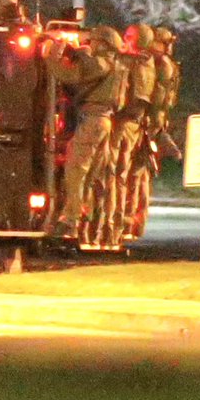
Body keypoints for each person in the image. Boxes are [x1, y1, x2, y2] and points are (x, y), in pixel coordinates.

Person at [45, 25, 128, 240]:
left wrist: (52, 52)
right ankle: (86, 218)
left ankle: (71, 220)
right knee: (92, 174)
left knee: (75, 169)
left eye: (93, 41)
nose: (89, 43)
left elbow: (66, 74)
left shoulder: (100, 63)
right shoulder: (115, 65)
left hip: (92, 121)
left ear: (103, 44)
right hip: (102, 122)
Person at [101, 23, 156, 245]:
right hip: (134, 126)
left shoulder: (133, 63)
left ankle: (111, 227)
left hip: (123, 124)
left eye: (129, 37)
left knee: (112, 175)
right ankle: (119, 226)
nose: (125, 39)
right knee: (123, 177)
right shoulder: (149, 64)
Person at [150, 27, 183, 160]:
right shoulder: (166, 63)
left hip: (154, 116)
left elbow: (160, 94)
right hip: (158, 116)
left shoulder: (161, 63)